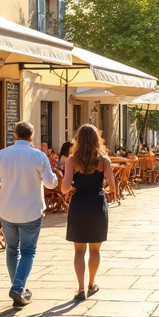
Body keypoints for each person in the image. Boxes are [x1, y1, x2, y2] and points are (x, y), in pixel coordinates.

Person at [0, 121, 58, 309]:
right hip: (30, 210)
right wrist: (55, 176)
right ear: (32, 136)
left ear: (15, 135)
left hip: (7, 209)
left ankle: (17, 285)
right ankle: (18, 286)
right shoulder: (38, 156)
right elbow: (51, 184)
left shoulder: (1, 155)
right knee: (28, 251)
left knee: (11, 249)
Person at [61, 124, 117, 301]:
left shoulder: (72, 160)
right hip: (97, 203)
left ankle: (80, 289)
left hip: (79, 205)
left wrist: (70, 182)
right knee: (95, 249)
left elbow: (64, 188)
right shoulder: (104, 160)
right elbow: (111, 183)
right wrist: (111, 192)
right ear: (96, 139)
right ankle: (92, 284)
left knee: (79, 250)